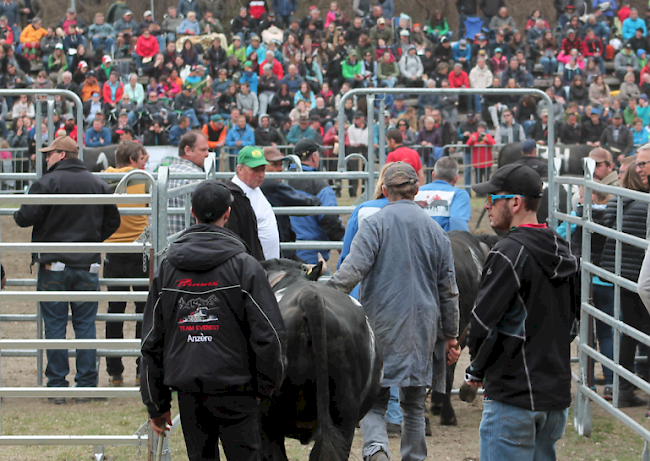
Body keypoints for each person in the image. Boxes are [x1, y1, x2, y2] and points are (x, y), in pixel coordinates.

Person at [141, 179, 286, 461]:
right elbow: (270, 336)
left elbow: (151, 340)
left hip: (190, 390)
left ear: (192, 211)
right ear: (227, 214)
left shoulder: (168, 267)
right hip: (238, 388)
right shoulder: (246, 267)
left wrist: (156, 404)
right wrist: (265, 389)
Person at [325, 161, 460, 461]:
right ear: (417, 190)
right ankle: (413, 458)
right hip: (422, 326)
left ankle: (376, 451)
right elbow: (449, 290)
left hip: (380, 323)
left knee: (374, 400)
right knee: (413, 404)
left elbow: (351, 271)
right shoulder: (436, 232)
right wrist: (450, 335)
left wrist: (325, 294)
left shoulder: (374, 224)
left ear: (384, 190)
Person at [465, 163, 579, 460]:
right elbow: (573, 325)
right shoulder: (564, 249)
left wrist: (476, 369)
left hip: (513, 398)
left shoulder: (507, 252)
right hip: (554, 398)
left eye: (493, 198)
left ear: (515, 203)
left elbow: (482, 324)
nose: (487, 206)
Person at [13, 136, 121, 400]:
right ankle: (86, 384)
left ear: (61, 155)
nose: (46, 158)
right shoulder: (98, 184)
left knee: (55, 325)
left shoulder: (47, 182)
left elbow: (24, 217)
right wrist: (92, 239)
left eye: (49, 154)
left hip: (54, 264)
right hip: (87, 264)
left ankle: (58, 384)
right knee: (85, 325)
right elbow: (113, 221)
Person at [102, 141, 149, 386]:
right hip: (140, 251)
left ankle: (114, 371)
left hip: (114, 252)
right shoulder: (141, 178)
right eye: (143, 158)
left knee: (115, 312)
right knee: (143, 312)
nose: (146, 162)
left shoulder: (105, 178)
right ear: (133, 160)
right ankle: (143, 370)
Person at [288, 139, 345, 265]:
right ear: (314, 156)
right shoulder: (319, 185)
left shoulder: (281, 180)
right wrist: (341, 244)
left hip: (284, 252)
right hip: (311, 255)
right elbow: (330, 220)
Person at [261, 146, 320, 260]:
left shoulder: (253, 187)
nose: (280, 169)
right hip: (279, 249)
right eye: (274, 165)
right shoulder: (272, 186)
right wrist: (315, 201)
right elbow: (302, 202)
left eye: (281, 165)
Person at [229, 146, 280, 260]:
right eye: (255, 170)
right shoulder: (233, 198)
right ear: (240, 169)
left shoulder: (252, 188)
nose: (261, 174)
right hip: (252, 267)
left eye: (262, 169)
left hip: (265, 265)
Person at [167, 131, 209, 237]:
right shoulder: (198, 179)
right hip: (190, 246)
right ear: (187, 150)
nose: (207, 154)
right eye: (203, 150)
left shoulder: (161, 177)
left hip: (162, 247)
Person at [417, 156, 471, 232]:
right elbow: (458, 221)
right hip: (442, 241)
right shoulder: (459, 195)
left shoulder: (416, 191)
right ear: (456, 178)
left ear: (433, 175)